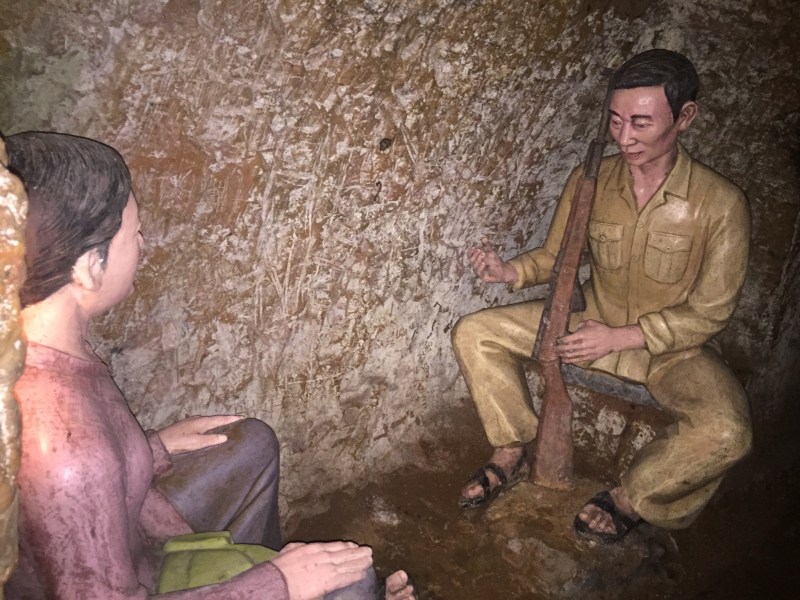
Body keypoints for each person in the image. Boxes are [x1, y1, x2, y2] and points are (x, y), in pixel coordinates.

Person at [4, 131, 415, 599]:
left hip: (130, 545)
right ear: (88, 267)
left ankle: (257, 565)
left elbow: (91, 494)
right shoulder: (65, 447)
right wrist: (278, 583)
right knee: (352, 584)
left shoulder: (48, 348)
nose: (143, 243)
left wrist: (152, 450)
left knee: (250, 443)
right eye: (133, 234)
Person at [452, 49, 752, 544]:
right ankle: (510, 449)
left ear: (685, 117)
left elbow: (709, 313)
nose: (624, 137)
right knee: (475, 332)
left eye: (640, 122)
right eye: (615, 121)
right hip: (587, 323)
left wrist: (620, 338)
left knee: (728, 432)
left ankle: (632, 497)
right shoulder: (591, 180)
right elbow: (557, 256)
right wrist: (510, 271)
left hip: (671, 351)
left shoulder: (721, 204)